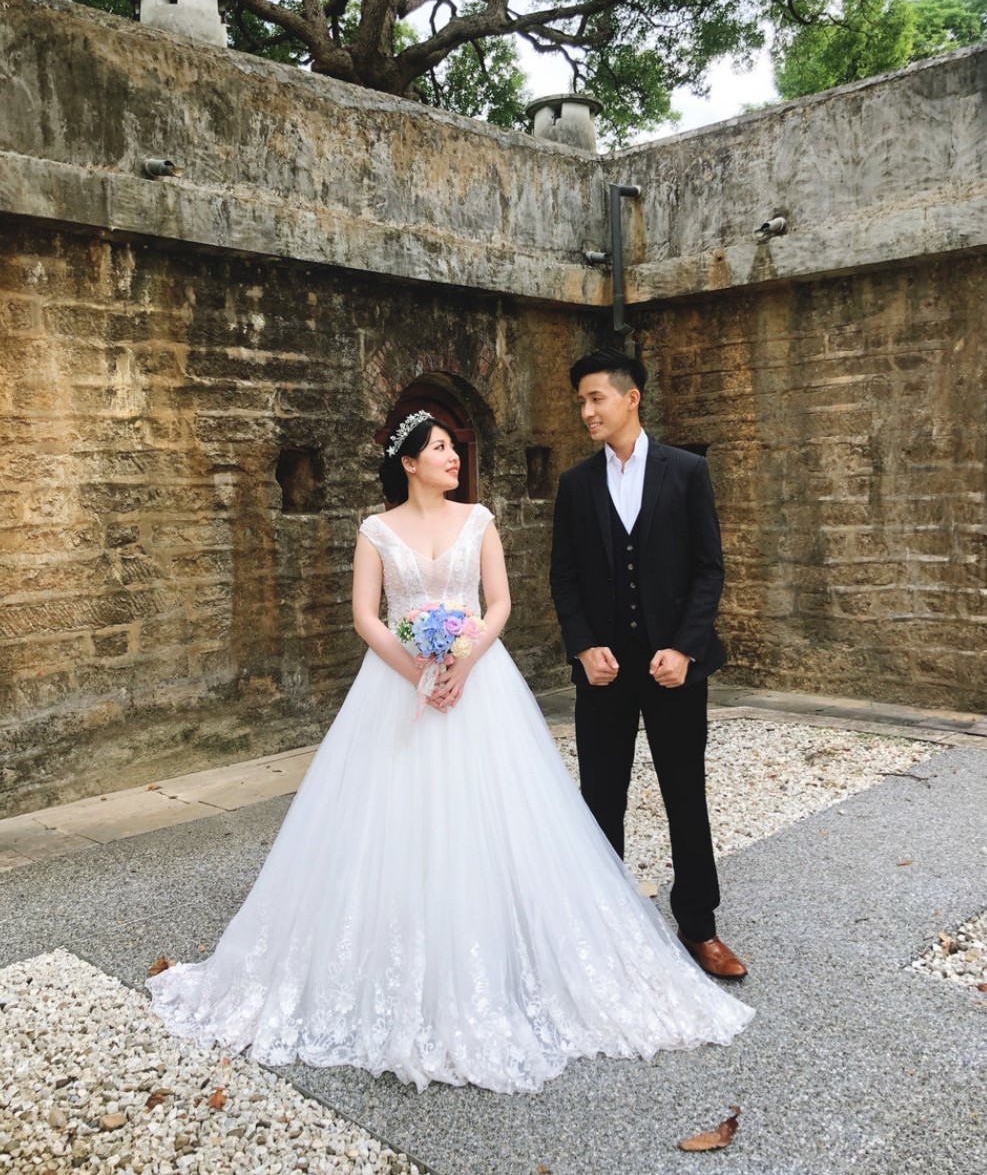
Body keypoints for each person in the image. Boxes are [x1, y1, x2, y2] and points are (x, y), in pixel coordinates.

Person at [148, 409, 752, 1093]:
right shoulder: (375, 530)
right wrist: (417, 671)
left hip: (478, 681)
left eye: (452, 447)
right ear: (409, 462)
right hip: (397, 687)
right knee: (386, 819)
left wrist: (461, 665)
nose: (452, 457)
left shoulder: (480, 520)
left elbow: (498, 604)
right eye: (439, 448)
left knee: (498, 814)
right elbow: (365, 616)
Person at [550, 347, 747, 980]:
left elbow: (709, 570)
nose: (586, 411)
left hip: (674, 670)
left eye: (596, 398)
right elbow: (564, 577)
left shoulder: (686, 471)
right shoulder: (576, 484)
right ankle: (605, 925)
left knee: (685, 795)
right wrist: (584, 648)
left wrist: (685, 648)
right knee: (600, 799)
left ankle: (699, 925)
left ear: (631, 398)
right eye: (581, 402)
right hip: (603, 671)